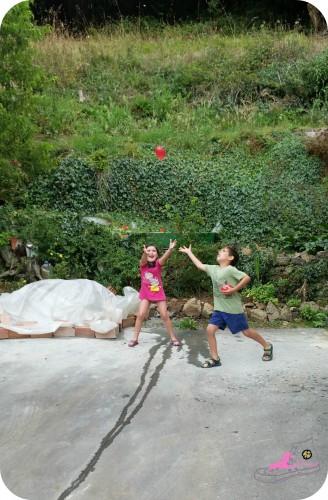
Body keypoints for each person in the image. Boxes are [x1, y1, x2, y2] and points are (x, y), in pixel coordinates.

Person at [179, 244, 273, 367]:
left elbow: (246, 278)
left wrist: (234, 289)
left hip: (233, 309)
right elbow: (199, 265)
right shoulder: (214, 269)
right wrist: (189, 252)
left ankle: (267, 346)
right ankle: (215, 358)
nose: (219, 251)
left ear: (230, 258)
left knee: (246, 332)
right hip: (219, 309)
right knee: (210, 330)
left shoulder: (230, 270)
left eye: (223, 251)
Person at [128, 240, 181, 347]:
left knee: (165, 315)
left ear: (157, 254)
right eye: (149, 251)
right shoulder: (143, 264)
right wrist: (144, 253)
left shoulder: (158, 264)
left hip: (158, 293)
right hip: (146, 293)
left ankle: (173, 337)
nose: (151, 252)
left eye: (154, 251)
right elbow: (143, 260)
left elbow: (164, 258)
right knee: (141, 314)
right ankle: (135, 338)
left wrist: (170, 249)